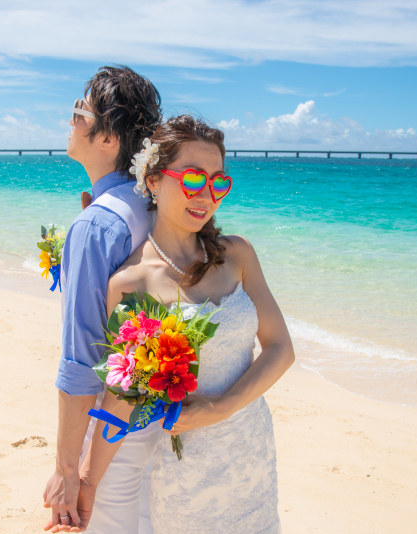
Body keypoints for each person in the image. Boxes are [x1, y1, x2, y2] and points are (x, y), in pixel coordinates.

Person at [81, 115, 295, 533]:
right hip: (184, 465)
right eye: (194, 178)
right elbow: (123, 395)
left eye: (219, 183)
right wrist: (82, 479)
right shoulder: (130, 283)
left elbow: (280, 349)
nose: (207, 195)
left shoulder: (238, 254)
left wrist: (223, 407)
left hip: (250, 444)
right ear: (154, 180)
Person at [42, 65, 162, 533]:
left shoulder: (98, 224)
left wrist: (68, 470)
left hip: (107, 425)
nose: (70, 121)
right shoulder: (151, 204)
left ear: (109, 140)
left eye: (78, 113)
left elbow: (82, 359)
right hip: (153, 411)